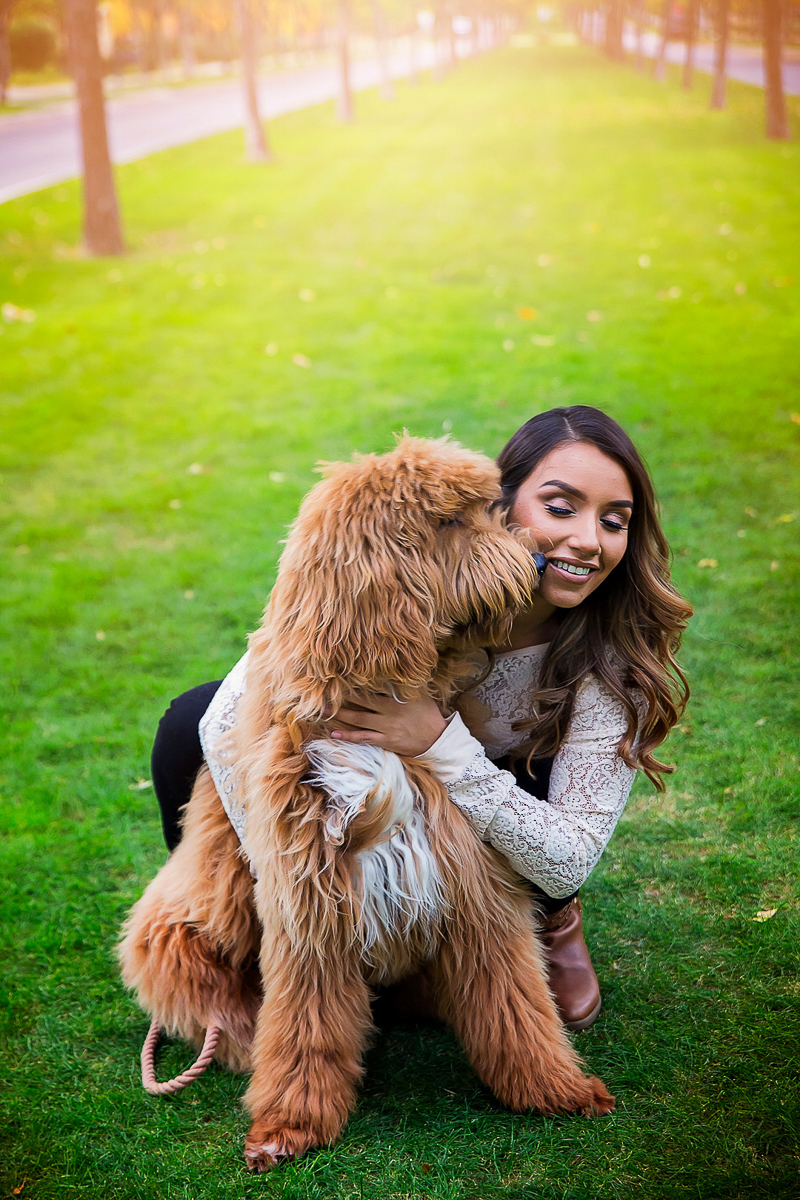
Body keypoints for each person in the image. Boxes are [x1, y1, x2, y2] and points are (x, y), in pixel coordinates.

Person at [151, 405, 692, 1031]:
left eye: (615, 521)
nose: (588, 541)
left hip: (496, 800)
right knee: (190, 717)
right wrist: (288, 889)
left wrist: (440, 741)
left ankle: (549, 922)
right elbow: (228, 718)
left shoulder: (608, 672)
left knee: (531, 798)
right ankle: (239, 928)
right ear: (502, 503)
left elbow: (569, 854)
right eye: (561, 507)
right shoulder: (417, 573)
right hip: (388, 792)